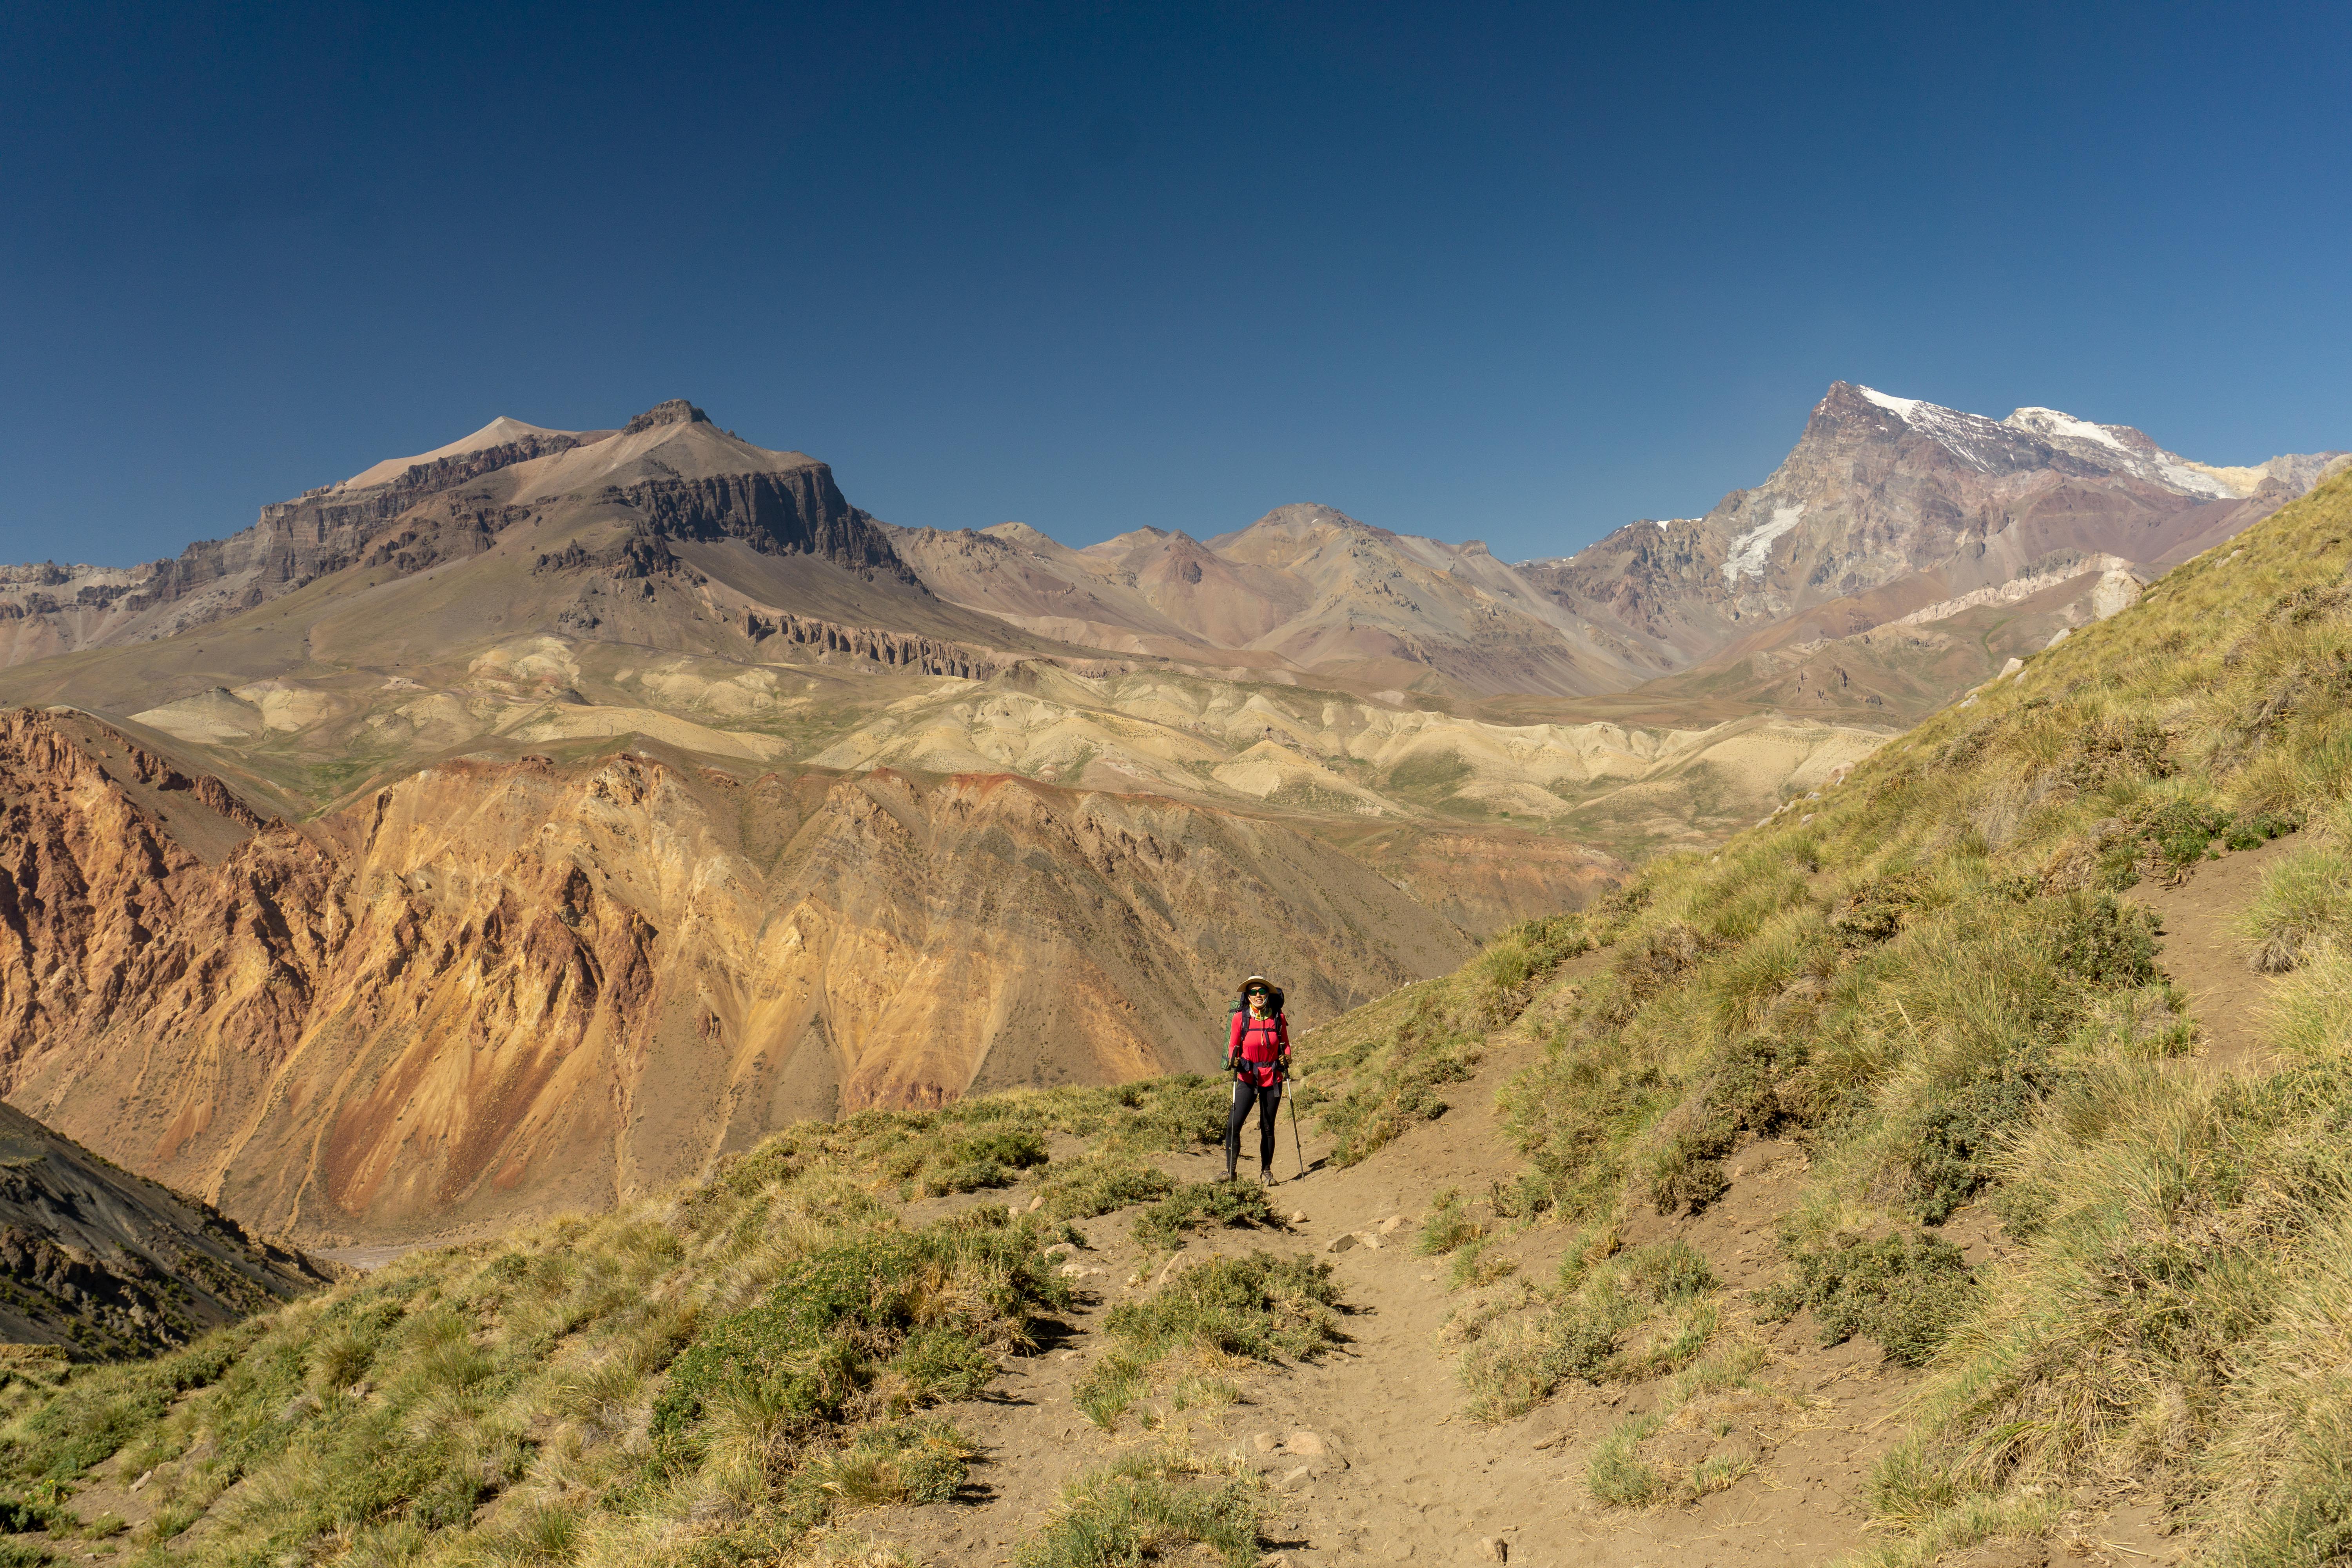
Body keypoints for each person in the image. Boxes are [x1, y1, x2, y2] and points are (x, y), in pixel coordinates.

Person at [1225, 975, 1289, 1183]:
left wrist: (1287, 1057)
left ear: (1268, 994)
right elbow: (1233, 1045)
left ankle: (1267, 1172)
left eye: (1262, 991)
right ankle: (1230, 1172)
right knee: (1233, 1125)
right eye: (1253, 992)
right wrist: (1233, 1059)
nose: (1258, 995)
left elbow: (1286, 1044)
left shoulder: (1278, 1018)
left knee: (1268, 1127)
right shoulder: (1240, 1018)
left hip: (1272, 1078)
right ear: (1248, 996)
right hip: (1247, 1077)